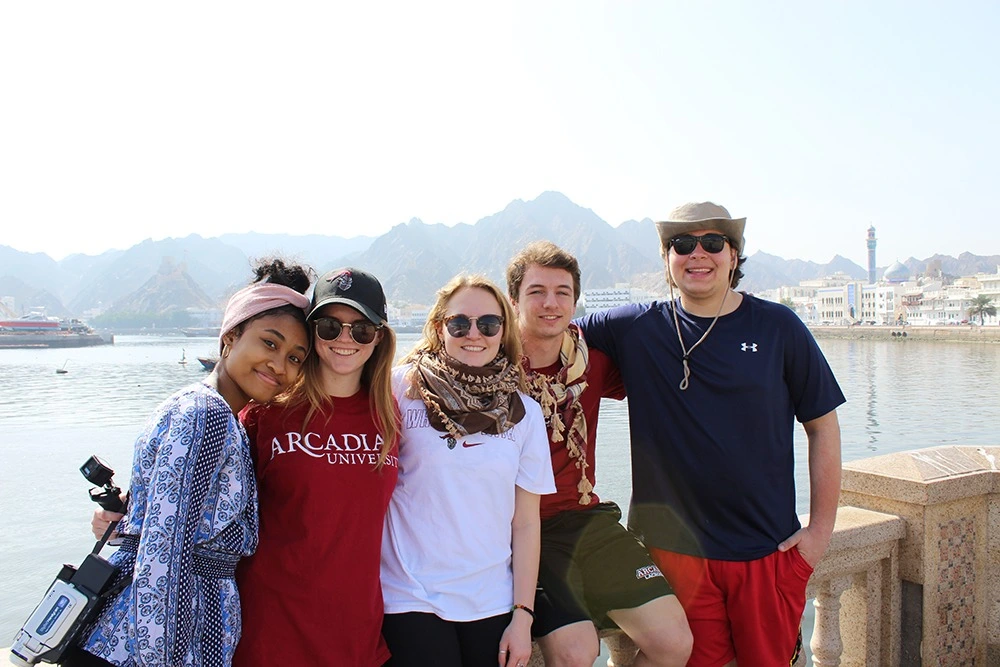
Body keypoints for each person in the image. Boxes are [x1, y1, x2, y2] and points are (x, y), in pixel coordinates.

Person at [578, 202, 845, 667]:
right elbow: (545, 332)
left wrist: (820, 530)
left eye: (712, 242)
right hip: (675, 551)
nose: (697, 253)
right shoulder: (636, 328)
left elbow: (822, 427)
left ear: (734, 256)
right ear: (667, 259)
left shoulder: (777, 326)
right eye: (682, 244)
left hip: (766, 549)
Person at [68, 259, 312, 667]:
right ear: (230, 337)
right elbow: (165, 550)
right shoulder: (208, 415)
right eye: (269, 343)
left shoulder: (207, 410)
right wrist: (162, 656)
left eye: (295, 358)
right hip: (145, 648)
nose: (280, 365)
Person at [506, 241, 692, 667]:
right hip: (524, 530)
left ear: (575, 300)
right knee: (576, 651)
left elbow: (666, 379)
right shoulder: (492, 369)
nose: (550, 303)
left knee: (674, 642)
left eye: (563, 292)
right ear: (514, 299)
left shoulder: (592, 361)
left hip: (589, 520)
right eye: (536, 292)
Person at [379, 274, 556, 667]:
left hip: (490, 599)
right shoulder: (398, 389)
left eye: (488, 324)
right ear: (440, 327)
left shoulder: (522, 413)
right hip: (410, 595)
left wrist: (523, 616)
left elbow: (526, 523)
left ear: (503, 330)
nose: (474, 333)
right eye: (460, 323)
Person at [233, 267, 400, 667]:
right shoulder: (264, 416)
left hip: (357, 639)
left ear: (378, 337)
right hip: (269, 636)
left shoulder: (392, 415)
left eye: (361, 329)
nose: (345, 339)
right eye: (329, 326)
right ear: (312, 333)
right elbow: (199, 489)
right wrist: (127, 510)